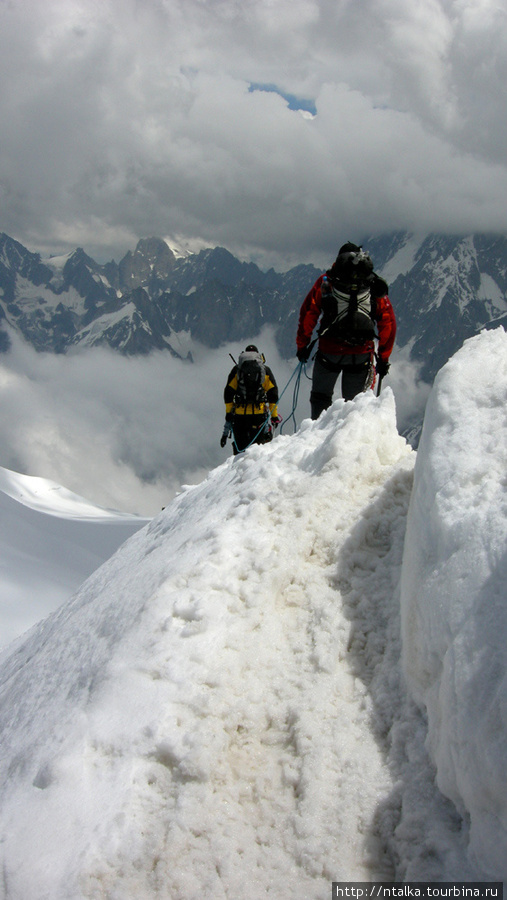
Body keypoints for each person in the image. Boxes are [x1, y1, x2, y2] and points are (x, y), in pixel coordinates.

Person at [296, 242, 396, 419]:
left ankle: (316, 437)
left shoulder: (327, 281)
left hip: (329, 351)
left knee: (320, 398)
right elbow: (387, 323)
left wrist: (302, 346)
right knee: (355, 406)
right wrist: (384, 358)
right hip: (361, 354)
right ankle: (350, 441)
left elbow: (309, 314)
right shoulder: (372, 284)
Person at [221, 345, 281, 454]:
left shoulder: (237, 370)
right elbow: (273, 393)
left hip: (240, 417)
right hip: (259, 416)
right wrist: (274, 416)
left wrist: (229, 413)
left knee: (241, 452)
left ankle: (240, 469)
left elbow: (228, 393)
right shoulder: (265, 371)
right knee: (259, 451)